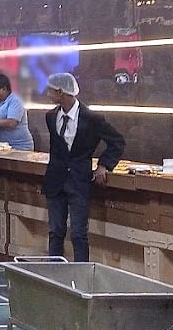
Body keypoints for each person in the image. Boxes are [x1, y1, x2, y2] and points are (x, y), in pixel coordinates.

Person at [42, 72, 125, 262]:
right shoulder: (51, 116)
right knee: (55, 231)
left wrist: (104, 165)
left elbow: (117, 142)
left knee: (78, 234)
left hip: (79, 182)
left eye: (51, 91)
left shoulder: (92, 118)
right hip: (55, 181)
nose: (48, 95)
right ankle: (53, 275)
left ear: (61, 92)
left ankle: (81, 277)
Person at [0, 72, 34, 151]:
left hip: (20, 147)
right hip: (4, 146)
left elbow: (11, 123)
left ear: (4, 89)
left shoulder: (15, 101)